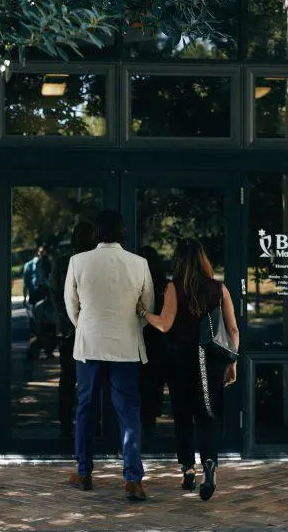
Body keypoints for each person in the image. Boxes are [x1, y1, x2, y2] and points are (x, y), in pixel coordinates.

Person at [64, 210, 155, 501]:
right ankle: (132, 479)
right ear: (124, 232)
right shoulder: (139, 263)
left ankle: (84, 471)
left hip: (89, 345)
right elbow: (147, 306)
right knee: (129, 413)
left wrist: (85, 326)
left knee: (86, 408)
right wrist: (131, 326)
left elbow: (71, 304)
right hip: (126, 345)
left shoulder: (78, 261)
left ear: (96, 234)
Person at [141, 239, 239, 502]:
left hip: (181, 362)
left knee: (183, 418)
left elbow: (164, 324)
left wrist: (142, 312)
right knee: (207, 416)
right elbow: (232, 331)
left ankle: (188, 470)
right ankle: (210, 464)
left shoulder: (174, 288)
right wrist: (232, 363)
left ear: (179, 261)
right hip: (211, 364)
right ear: (202, 259)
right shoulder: (219, 288)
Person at [52, 222, 96, 438]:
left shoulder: (64, 261)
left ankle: (68, 422)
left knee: (69, 377)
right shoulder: (68, 262)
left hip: (72, 327)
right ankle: (80, 422)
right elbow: (56, 294)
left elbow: (55, 295)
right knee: (83, 377)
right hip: (80, 328)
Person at [137, 245, 168, 436]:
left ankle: (145, 421)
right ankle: (150, 421)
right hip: (158, 339)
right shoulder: (164, 287)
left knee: (140, 382)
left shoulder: (136, 284)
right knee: (154, 383)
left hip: (140, 338)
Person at [23, 245, 54, 359]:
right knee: (36, 325)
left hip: (46, 295)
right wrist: (25, 296)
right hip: (35, 295)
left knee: (48, 325)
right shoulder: (30, 265)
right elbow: (26, 282)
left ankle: (48, 350)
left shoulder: (50, 263)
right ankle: (35, 350)